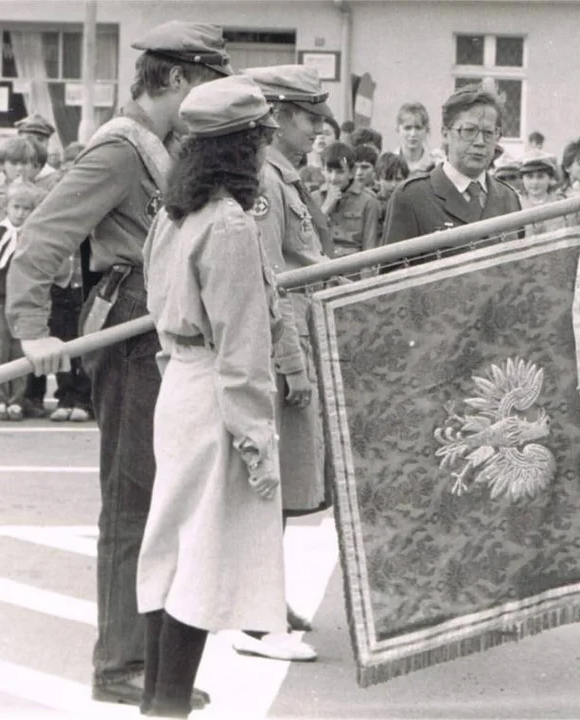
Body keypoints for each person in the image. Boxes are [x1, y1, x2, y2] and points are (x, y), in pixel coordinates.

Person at [6, 20, 231, 707]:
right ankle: (120, 664)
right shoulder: (122, 148)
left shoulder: (161, 145)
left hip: (154, 324)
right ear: (179, 79)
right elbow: (45, 234)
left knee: (156, 501)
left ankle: (141, 660)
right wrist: (29, 330)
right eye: (206, 85)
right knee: (132, 504)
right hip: (130, 330)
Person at [137, 74, 286, 719]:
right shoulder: (227, 224)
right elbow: (244, 350)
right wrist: (257, 440)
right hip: (214, 392)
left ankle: (156, 700)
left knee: (169, 546)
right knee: (201, 555)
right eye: (259, 141)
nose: (263, 154)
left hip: (181, 384)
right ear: (240, 148)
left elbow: (157, 308)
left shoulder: (175, 215)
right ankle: (168, 704)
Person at [243, 64, 337, 651]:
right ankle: (256, 613)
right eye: (308, 119)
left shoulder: (287, 177)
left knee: (282, 485)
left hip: (299, 336)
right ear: (277, 118)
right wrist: (293, 362)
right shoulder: (267, 182)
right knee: (269, 485)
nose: (317, 131)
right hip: (284, 344)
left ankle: (264, 599)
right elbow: (270, 278)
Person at [383, 84, 521, 245]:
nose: (480, 142)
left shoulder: (509, 198)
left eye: (489, 133)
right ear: (445, 134)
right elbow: (394, 269)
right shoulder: (411, 197)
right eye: (469, 131)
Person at [0, 181, 43, 420]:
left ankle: (17, 399)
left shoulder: (33, 235)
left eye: (26, 208)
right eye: (16, 207)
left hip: (24, 300)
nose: (20, 213)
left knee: (21, 350)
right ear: (6, 207)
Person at [315, 142, 381, 258]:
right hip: (321, 265)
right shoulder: (313, 198)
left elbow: (369, 246)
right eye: (329, 171)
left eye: (340, 172)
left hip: (352, 268)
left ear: (351, 172)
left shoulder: (368, 201)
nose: (333, 178)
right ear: (322, 170)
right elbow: (307, 239)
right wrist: (325, 208)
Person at [0, 137, 44, 225]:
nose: (20, 168)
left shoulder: (40, 196)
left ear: (32, 165)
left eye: (24, 163)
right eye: (14, 163)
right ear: (1, 165)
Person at [517, 153, 565, 236]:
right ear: (522, 179)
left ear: (550, 179)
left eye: (540, 176)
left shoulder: (560, 202)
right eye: (530, 176)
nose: (535, 182)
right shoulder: (517, 205)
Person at [15, 114, 61, 192]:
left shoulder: (55, 179)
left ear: (48, 144)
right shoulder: (7, 174)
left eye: (40, 140)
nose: (34, 144)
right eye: (28, 139)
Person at [395, 102, 438, 176]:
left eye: (418, 128)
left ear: (426, 130)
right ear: (398, 129)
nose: (413, 134)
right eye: (407, 128)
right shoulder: (389, 163)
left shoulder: (435, 165)